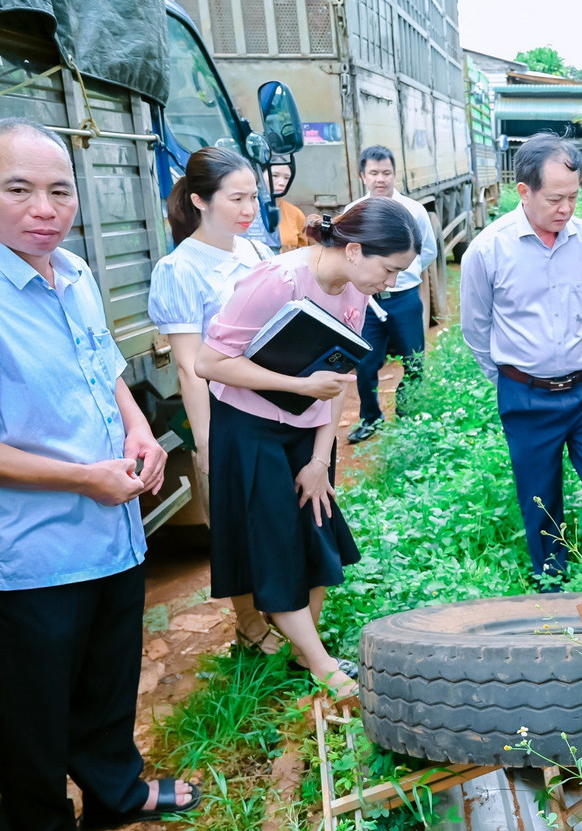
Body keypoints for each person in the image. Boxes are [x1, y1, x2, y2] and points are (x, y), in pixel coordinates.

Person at [0, 117, 199, 831]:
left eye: (59, 189)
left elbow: (106, 372)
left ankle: (115, 790)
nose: (44, 207)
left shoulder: (70, 271)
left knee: (109, 677)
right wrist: (83, 478)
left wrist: (141, 429)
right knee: (38, 706)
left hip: (110, 528)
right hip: (33, 550)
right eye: (20, 189)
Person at [194, 197, 421, 698]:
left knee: (316, 534)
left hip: (308, 428)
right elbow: (209, 363)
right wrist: (298, 387)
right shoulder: (278, 280)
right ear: (355, 249)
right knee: (275, 544)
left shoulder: (355, 290)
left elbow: (337, 379)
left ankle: (303, 650)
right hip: (250, 427)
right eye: (389, 271)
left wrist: (321, 460)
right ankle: (324, 669)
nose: (390, 284)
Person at [460, 133, 582, 589]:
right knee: (539, 494)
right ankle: (551, 574)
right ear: (524, 191)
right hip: (526, 393)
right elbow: (476, 328)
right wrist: (514, 377)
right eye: (555, 198)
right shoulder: (489, 249)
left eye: (574, 196)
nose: (566, 208)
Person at [149, 146, 286, 657]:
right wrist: (206, 445)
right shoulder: (179, 269)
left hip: (275, 403)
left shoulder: (254, 251)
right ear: (201, 200)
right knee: (237, 523)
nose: (250, 208)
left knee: (275, 515)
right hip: (226, 413)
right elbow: (189, 365)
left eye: (254, 196)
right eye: (237, 198)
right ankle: (250, 628)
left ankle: (281, 612)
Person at [346, 145, 438, 443]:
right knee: (366, 363)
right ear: (363, 176)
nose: (380, 179)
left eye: (386, 172)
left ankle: (408, 416)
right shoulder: (354, 212)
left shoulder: (413, 210)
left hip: (405, 299)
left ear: (394, 174)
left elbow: (428, 251)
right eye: (374, 173)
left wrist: (400, 275)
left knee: (413, 360)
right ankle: (370, 418)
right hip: (368, 303)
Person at [270, 160, 309, 252]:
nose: (282, 183)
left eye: (286, 178)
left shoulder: (295, 213)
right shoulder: (247, 211)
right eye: (274, 175)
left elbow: (303, 250)